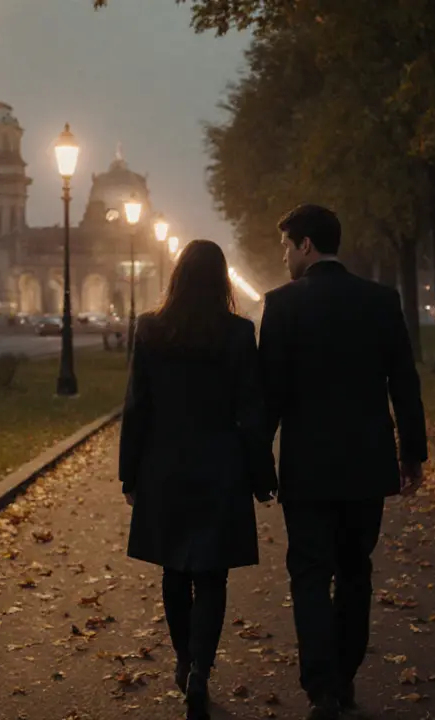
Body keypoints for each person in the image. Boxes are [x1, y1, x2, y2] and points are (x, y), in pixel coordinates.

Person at [259, 204, 428, 719]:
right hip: (365, 465)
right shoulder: (380, 301)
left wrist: (257, 463)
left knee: (309, 574)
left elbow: (270, 396)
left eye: (287, 246)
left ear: (306, 245)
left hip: (307, 469)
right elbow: (404, 382)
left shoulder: (282, 306)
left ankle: (321, 687)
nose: (284, 256)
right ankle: (346, 675)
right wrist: (412, 454)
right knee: (356, 571)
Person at [118, 239, 277, 720]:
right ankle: (203, 669)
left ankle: (184, 660)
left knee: (174, 569)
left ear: (177, 277)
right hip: (220, 467)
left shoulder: (150, 329)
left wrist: (129, 474)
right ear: (222, 280)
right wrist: (261, 476)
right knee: (212, 575)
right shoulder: (237, 333)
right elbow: (251, 413)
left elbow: (136, 408)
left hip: (163, 467)